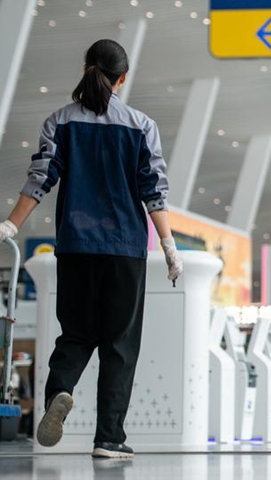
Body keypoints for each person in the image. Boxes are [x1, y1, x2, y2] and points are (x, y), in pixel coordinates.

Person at [0, 39, 182, 459]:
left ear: (85, 69)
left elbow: (39, 180)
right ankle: (109, 439)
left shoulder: (59, 122)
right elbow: (153, 190)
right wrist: (169, 246)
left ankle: (59, 393)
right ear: (123, 78)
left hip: (76, 247)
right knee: (119, 344)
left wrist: (11, 223)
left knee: (77, 334)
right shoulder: (141, 125)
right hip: (125, 250)